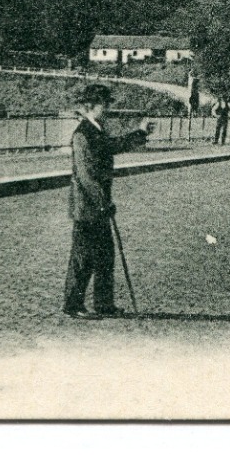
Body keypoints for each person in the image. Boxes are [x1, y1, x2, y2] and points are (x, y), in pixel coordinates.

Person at [64, 84, 150, 319]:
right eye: (104, 104)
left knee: (104, 257)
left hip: (98, 206)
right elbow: (85, 176)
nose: (108, 108)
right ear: (90, 106)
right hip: (87, 206)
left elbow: (113, 146)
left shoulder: (97, 130)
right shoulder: (82, 134)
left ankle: (104, 304)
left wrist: (140, 133)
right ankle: (73, 304)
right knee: (83, 258)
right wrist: (103, 201)